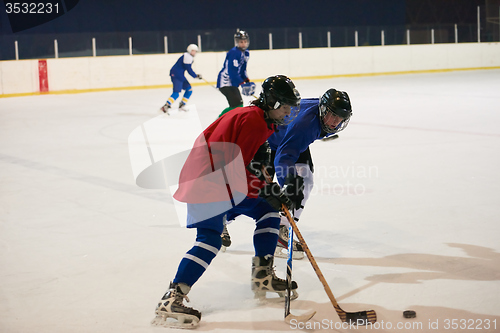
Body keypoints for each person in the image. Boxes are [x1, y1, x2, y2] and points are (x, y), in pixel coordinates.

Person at [151, 75, 303, 329]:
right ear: (272, 102)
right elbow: (232, 166)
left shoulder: (258, 118)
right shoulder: (253, 120)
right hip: (207, 181)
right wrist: (265, 189)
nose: (288, 111)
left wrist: (268, 189)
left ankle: (263, 275)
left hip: (217, 179)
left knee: (267, 212)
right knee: (209, 239)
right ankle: (172, 298)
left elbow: (243, 164)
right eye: (285, 106)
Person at [222, 89, 353, 260]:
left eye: (340, 118)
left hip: (290, 138)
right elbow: (283, 158)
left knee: (305, 180)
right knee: (256, 190)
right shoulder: (305, 125)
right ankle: (220, 219)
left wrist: (293, 185)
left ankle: (281, 229)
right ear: (323, 110)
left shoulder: (320, 116)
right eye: (333, 116)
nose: (336, 122)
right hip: (269, 141)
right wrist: (288, 184)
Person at [217, 30, 256, 116]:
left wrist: (246, 80)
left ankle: (223, 121)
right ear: (237, 42)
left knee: (238, 105)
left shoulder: (246, 53)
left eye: (245, 41)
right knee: (237, 105)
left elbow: (243, 69)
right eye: (241, 41)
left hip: (232, 82)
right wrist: (241, 83)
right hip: (225, 82)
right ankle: (218, 121)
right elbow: (232, 71)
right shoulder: (234, 52)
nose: (243, 43)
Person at [160, 44, 202, 114]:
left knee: (189, 89)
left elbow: (188, 69)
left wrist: (195, 76)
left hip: (180, 75)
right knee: (176, 93)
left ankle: (182, 105)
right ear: (189, 50)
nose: (194, 53)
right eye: (193, 51)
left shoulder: (188, 56)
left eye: (195, 51)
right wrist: (195, 76)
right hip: (176, 75)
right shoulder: (187, 56)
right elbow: (189, 69)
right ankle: (166, 106)